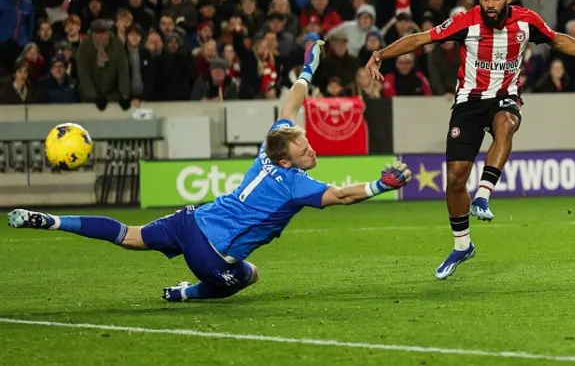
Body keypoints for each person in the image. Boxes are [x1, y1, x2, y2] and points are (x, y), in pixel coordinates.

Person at [7, 40, 413, 302]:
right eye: (302, 146)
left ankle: (53, 220)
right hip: (210, 254)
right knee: (249, 276)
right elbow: (341, 196)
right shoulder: (294, 185)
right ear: (286, 161)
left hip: (190, 220)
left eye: (305, 140)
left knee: (129, 237)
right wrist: (381, 184)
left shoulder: (268, 147)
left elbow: (289, 108)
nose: (310, 146)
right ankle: (188, 295)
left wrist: (308, 68)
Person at [365, 0, 575, 281]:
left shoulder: (527, 22)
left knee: (506, 122)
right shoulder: (465, 22)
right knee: (456, 180)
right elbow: (420, 38)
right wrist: (380, 54)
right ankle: (462, 246)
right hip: (468, 103)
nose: (489, 4)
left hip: (505, 97)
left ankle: (484, 194)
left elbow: (557, 40)